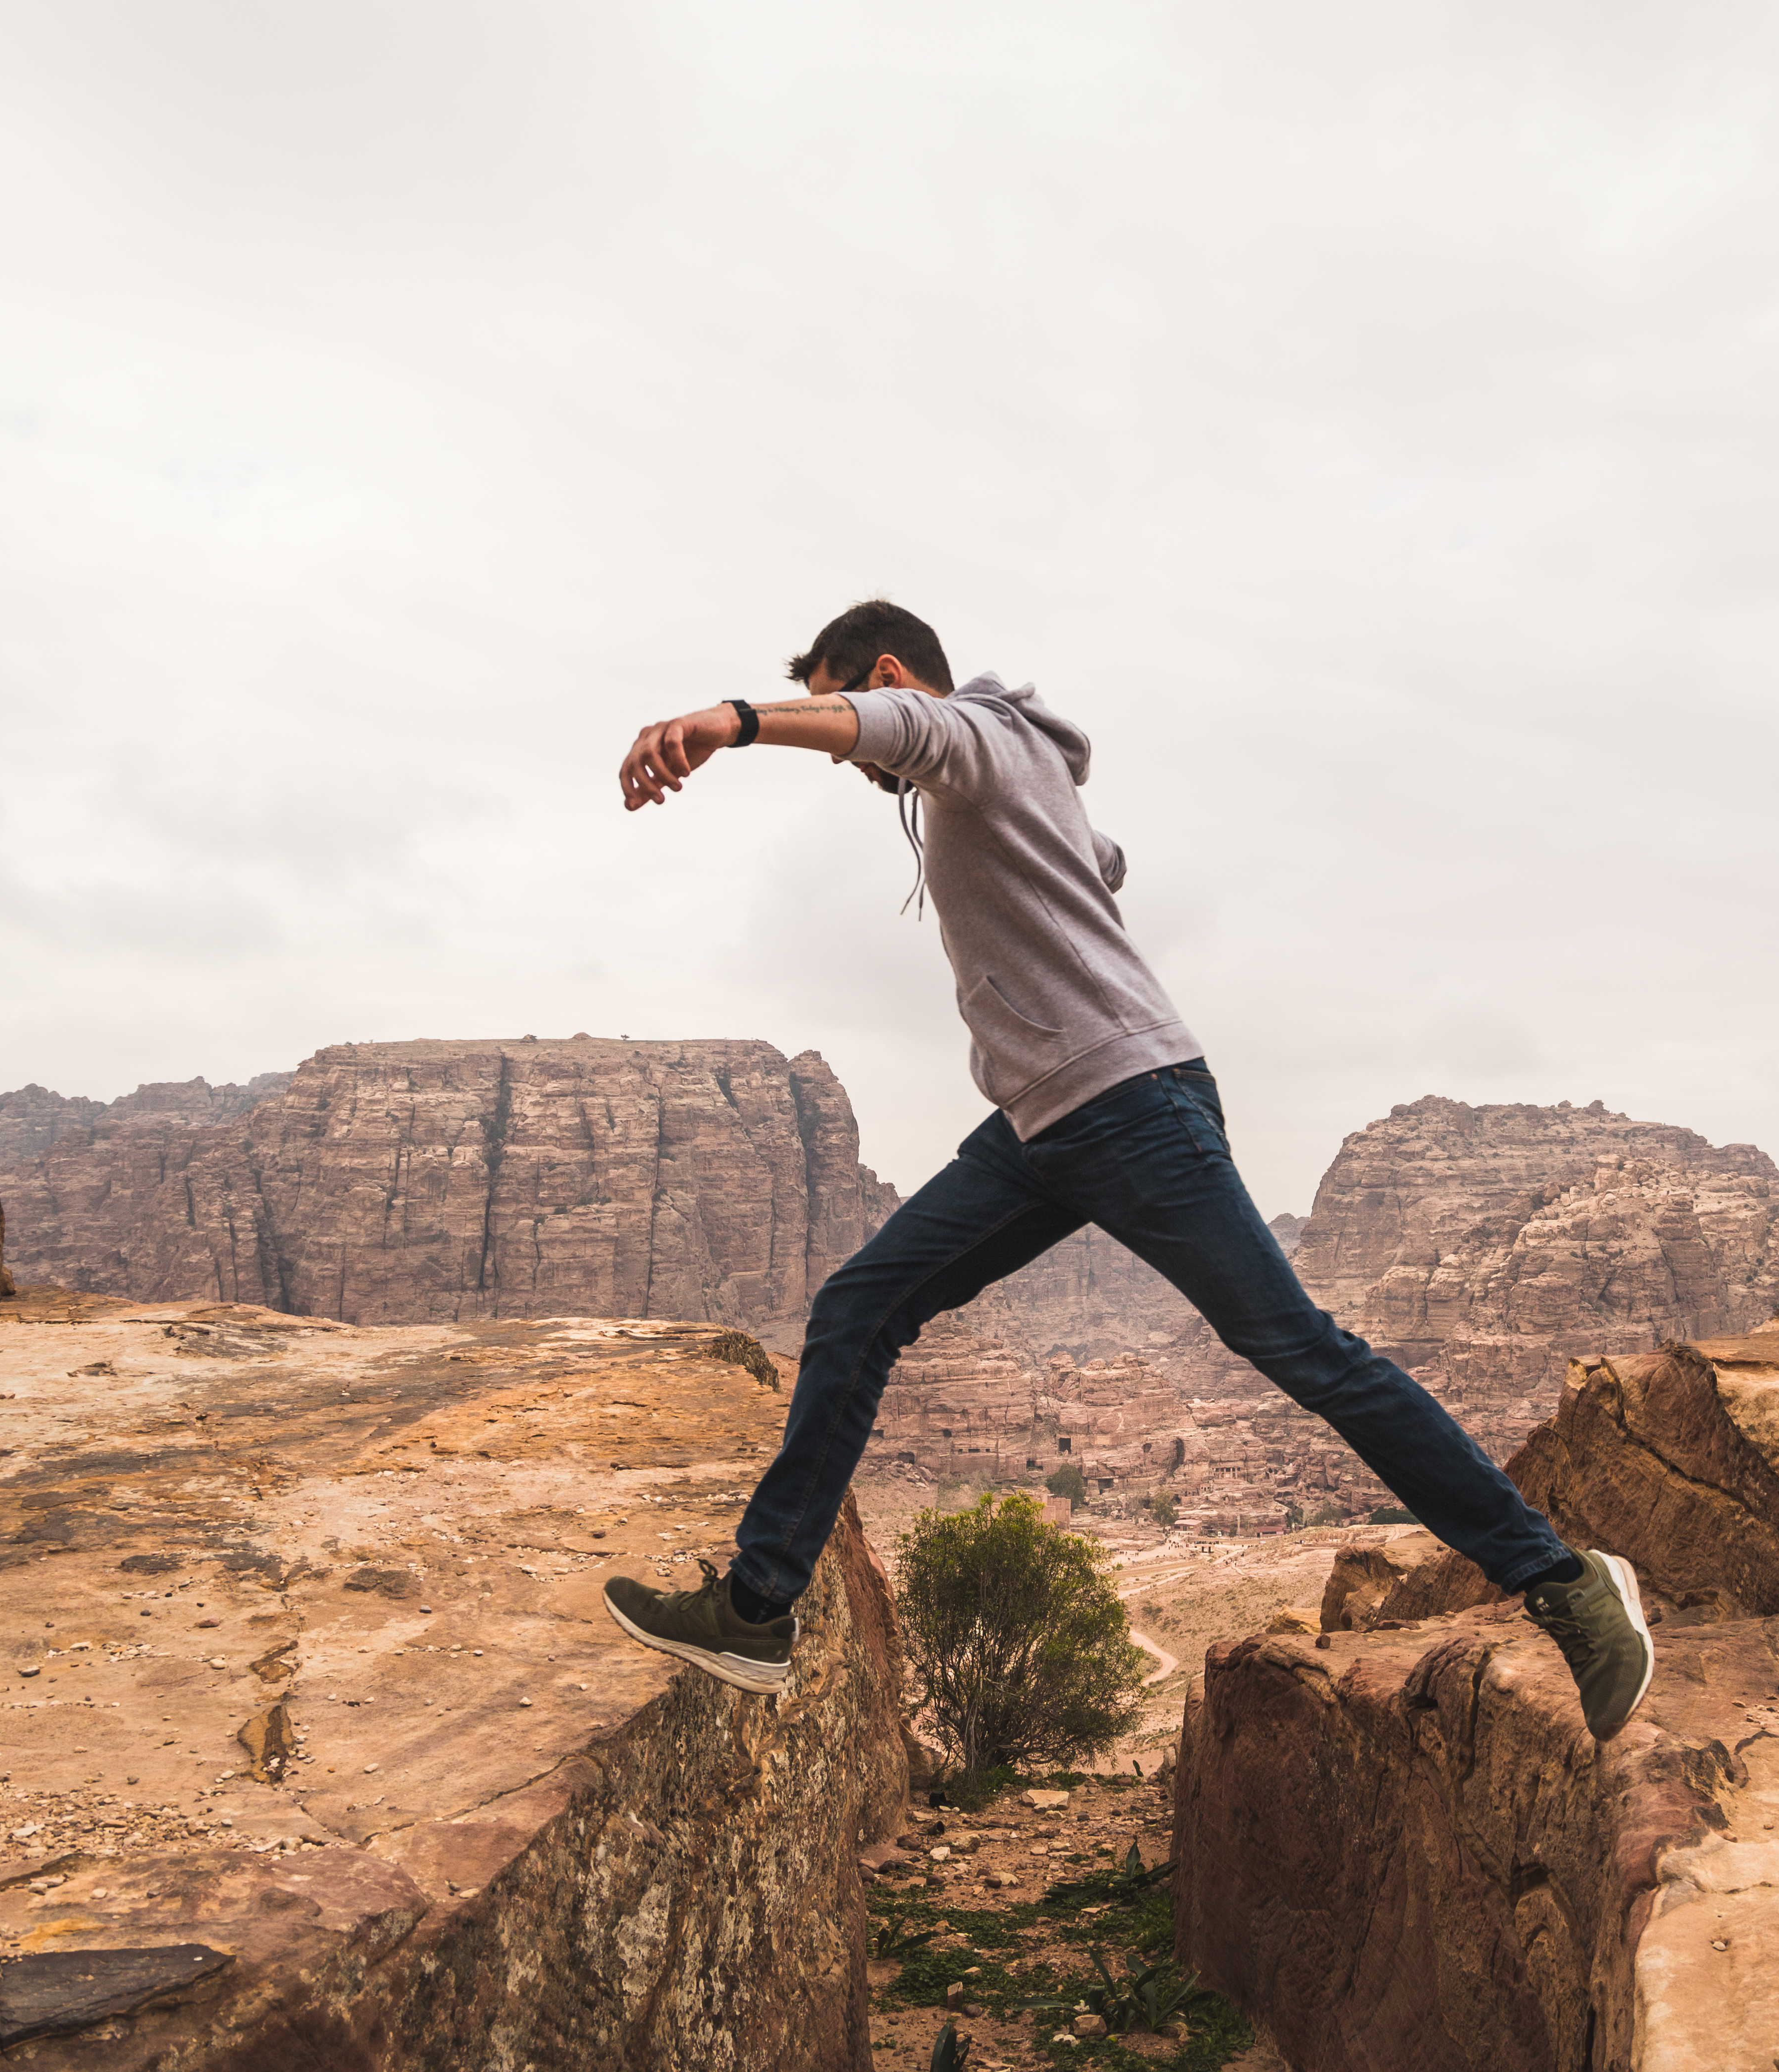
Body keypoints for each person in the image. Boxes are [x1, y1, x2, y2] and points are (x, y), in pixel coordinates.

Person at [603, 600, 1652, 1736]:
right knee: (859, 1307)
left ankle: (1564, 1581)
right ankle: (759, 1610)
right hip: (1046, 1129)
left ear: (892, 678)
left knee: (1305, 1354)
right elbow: (1100, 859)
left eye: (842, 697)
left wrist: (731, 722)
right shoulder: (1009, 770)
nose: (857, 762)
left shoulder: (974, 735)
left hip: (1130, 1111)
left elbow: (905, 733)